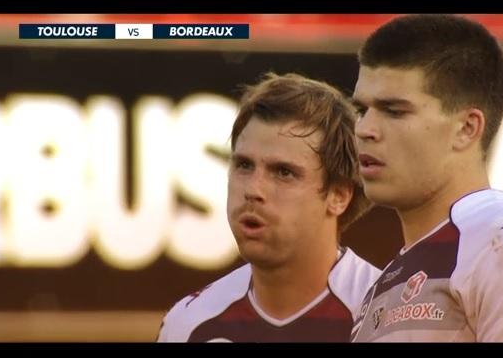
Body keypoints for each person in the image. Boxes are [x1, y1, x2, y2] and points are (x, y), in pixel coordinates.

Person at [350, 14, 503, 342]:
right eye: (361, 111)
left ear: (467, 128)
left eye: (394, 111)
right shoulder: (386, 280)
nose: (365, 129)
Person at [157, 72, 380, 342]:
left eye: (283, 172)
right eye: (244, 165)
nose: (253, 190)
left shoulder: (388, 314)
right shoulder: (190, 324)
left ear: (339, 196)